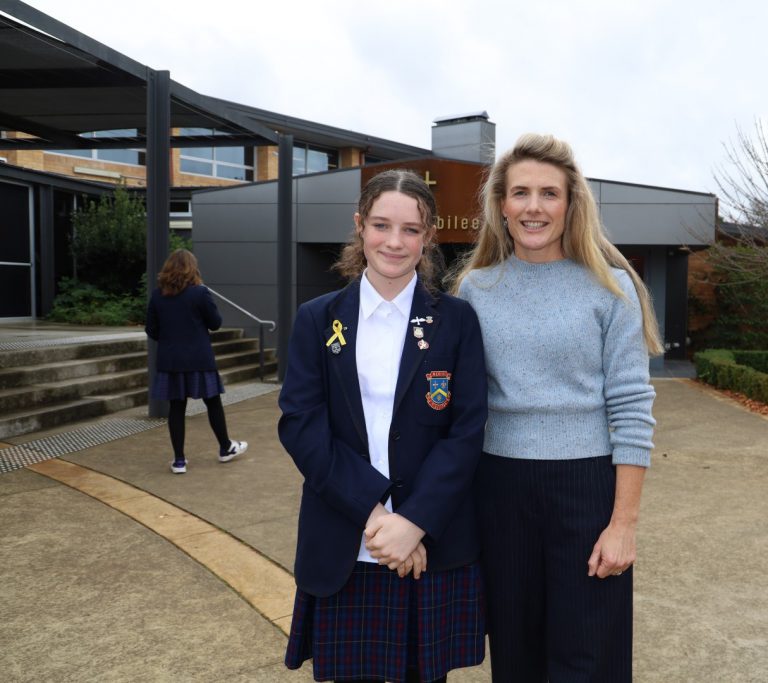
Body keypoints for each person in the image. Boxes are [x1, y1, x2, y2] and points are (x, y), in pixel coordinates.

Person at [451, 133, 661, 682]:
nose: (534, 207)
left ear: (571, 205)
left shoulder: (611, 288)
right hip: (499, 491)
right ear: (501, 205)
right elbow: (457, 406)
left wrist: (623, 524)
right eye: (521, 193)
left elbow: (631, 408)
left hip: (587, 490)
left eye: (549, 193)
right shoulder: (474, 290)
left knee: (589, 658)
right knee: (516, 657)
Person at [279, 169, 487, 683]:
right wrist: (376, 517)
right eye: (381, 225)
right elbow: (302, 426)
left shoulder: (457, 320)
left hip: (429, 544)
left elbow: (466, 432)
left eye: (411, 229)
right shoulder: (316, 319)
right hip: (348, 540)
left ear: (428, 236)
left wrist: (413, 522)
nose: (395, 242)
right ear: (359, 226)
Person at [145, 249, 247, 474]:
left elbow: (151, 329)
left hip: (171, 360)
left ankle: (179, 461)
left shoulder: (158, 295)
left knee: (176, 407)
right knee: (213, 402)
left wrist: (170, 340)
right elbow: (215, 323)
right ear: (192, 268)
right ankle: (225, 447)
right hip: (199, 359)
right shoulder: (200, 293)